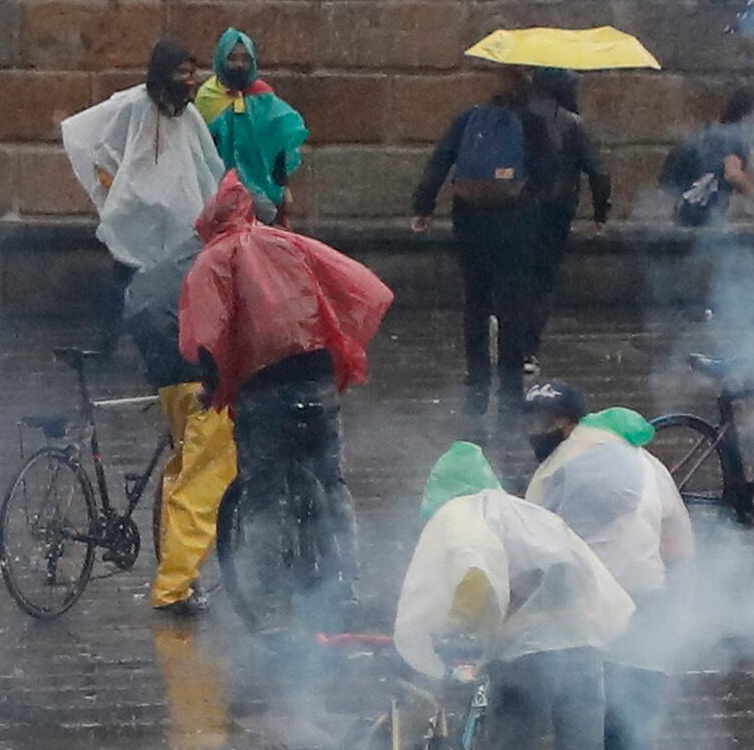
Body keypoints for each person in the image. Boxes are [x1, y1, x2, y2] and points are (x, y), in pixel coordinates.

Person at [397, 442, 632, 750]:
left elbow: (478, 579)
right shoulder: (528, 516)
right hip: (583, 653)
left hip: (525, 659)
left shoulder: (463, 518)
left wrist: (459, 635)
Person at [176, 173, 392, 615]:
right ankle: (347, 581)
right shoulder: (289, 244)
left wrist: (212, 389)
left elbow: (211, 337)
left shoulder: (214, 260)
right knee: (330, 483)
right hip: (317, 380)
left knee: (263, 495)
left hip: (265, 392)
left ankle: (269, 603)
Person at [522, 386, 695, 750]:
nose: (537, 433)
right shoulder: (650, 467)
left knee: (592, 747)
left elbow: (530, 551)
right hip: (648, 613)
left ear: (572, 424)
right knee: (636, 739)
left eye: (547, 422)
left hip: (589, 619)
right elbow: (680, 549)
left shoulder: (552, 472)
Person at [60, 41, 227, 353]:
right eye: (180, 72)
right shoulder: (135, 104)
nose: (188, 80)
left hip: (178, 212)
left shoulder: (187, 116)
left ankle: (168, 347)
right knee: (124, 273)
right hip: (138, 209)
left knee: (175, 281)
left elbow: (206, 162)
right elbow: (90, 131)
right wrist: (110, 180)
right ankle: (106, 345)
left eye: (191, 73)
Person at [412, 69, 558, 418]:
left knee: (476, 302)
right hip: (515, 227)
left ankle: (477, 382)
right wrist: (529, 204)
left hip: (471, 224)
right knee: (512, 306)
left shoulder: (468, 119)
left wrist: (424, 205)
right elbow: (548, 175)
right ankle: (509, 386)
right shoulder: (536, 125)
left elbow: (441, 160)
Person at [121, 242, 233, 616]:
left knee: (184, 469)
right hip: (201, 379)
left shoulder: (192, 249)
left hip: (167, 373)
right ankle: (173, 587)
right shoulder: (235, 257)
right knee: (205, 482)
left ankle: (173, 562)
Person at [522, 69, 612, 375]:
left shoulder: (514, 115)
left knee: (512, 275)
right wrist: (600, 212)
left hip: (512, 208)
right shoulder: (572, 123)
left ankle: (504, 341)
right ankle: (527, 350)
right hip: (554, 211)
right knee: (542, 280)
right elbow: (598, 172)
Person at [193, 28, 307, 224]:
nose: (239, 65)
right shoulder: (207, 98)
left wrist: (283, 187)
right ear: (221, 59)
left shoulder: (264, 98)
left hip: (261, 191)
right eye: (232, 58)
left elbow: (277, 144)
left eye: (245, 59)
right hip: (216, 192)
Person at [662, 86, 754, 229]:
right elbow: (733, 175)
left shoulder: (716, 133)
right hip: (702, 215)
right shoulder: (734, 138)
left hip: (686, 212)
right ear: (745, 112)